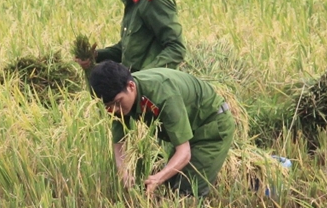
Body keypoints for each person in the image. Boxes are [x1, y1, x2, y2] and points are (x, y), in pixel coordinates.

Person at [89, 60, 235, 197]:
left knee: (189, 189)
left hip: (211, 125)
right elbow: (119, 142)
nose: (115, 110)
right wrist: (124, 171)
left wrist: (157, 178)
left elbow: (184, 152)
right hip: (188, 126)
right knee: (171, 184)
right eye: (108, 106)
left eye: (118, 102)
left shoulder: (163, 93)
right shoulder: (117, 102)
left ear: (131, 86)